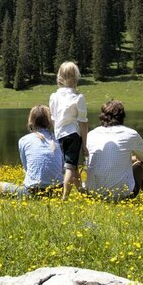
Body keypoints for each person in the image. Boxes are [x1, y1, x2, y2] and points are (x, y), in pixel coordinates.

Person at [0, 105, 63, 198]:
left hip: (33, 192)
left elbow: (26, 168)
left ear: (31, 121)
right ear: (49, 121)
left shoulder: (24, 140)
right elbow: (63, 169)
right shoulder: (59, 140)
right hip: (58, 192)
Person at [84, 100, 143, 200]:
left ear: (102, 116)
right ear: (122, 116)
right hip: (122, 195)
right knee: (140, 165)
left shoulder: (91, 135)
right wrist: (135, 158)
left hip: (93, 194)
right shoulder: (130, 134)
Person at [49, 61, 89, 200]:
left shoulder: (54, 96)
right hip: (73, 134)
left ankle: (81, 191)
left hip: (59, 135)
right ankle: (64, 197)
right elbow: (83, 122)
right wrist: (85, 145)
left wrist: (55, 136)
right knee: (70, 167)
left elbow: (53, 118)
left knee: (71, 164)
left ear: (59, 77)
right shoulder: (78, 97)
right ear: (76, 77)